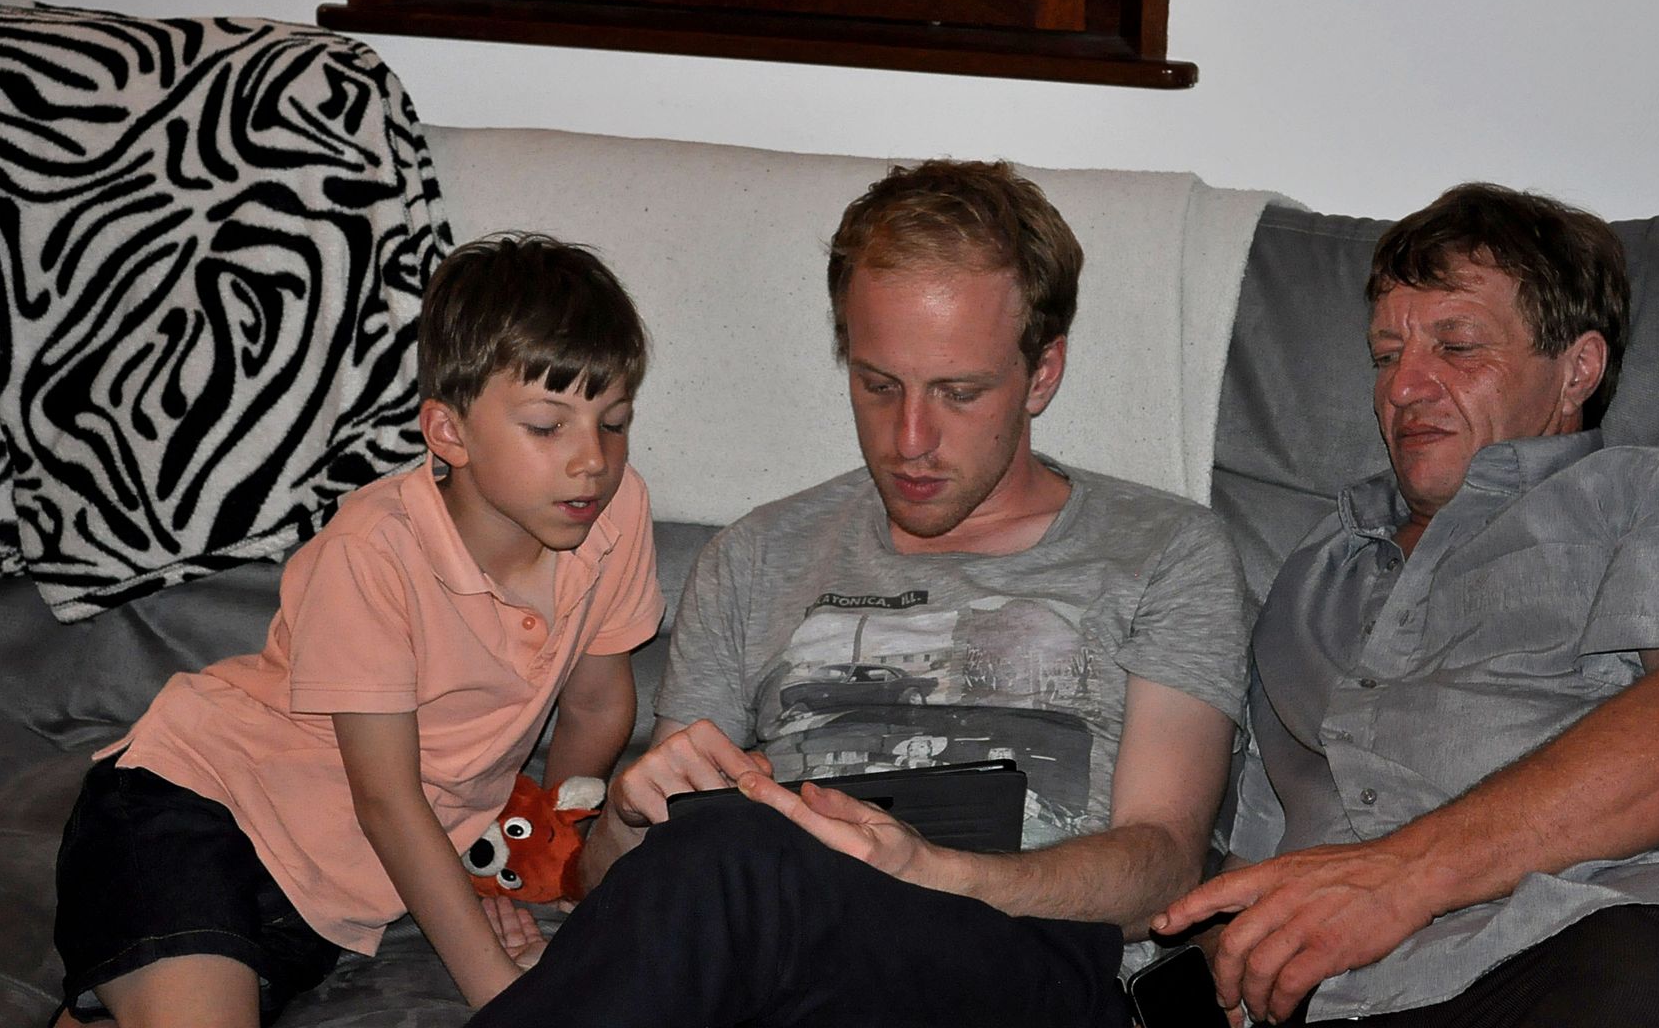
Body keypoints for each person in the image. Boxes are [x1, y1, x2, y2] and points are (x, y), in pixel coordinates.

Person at [470, 159, 1248, 1028]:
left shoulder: (1164, 551)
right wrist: (626, 813)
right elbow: (626, 896)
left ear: (1042, 373)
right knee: (721, 852)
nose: (910, 439)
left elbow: (1164, 866)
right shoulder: (755, 555)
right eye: (879, 386)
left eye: (958, 392)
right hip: (781, 951)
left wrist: (936, 871)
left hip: (1025, 961)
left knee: (738, 853)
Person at [1153, 183, 1659, 1026]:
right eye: (1386, 355)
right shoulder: (1314, 574)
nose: (1404, 387)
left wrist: (1403, 877)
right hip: (1345, 999)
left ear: (1577, 369)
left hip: (1611, 943)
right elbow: (1263, 852)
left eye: (1456, 346)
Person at [50, 234, 663, 1025]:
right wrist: (505, 993)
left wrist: (550, 854)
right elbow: (386, 801)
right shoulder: (372, 552)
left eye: (613, 422)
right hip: (199, 807)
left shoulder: (616, 512)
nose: (593, 460)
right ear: (448, 433)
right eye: (548, 426)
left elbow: (595, 703)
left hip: (328, 897)